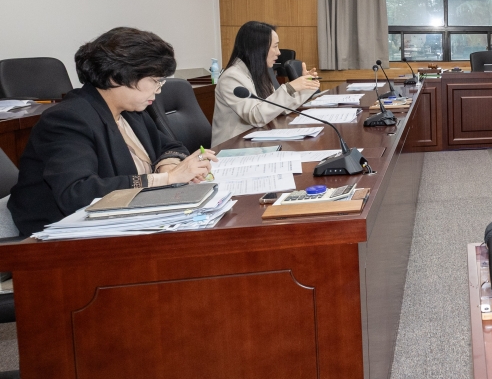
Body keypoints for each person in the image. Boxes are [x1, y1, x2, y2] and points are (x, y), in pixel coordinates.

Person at [9, 27, 215, 236]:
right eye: (155, 81)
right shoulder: (67, 119)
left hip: (124, 224)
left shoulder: (130, 112)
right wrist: (166, 179)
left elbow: (169, 146)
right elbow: (78, 192)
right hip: (65, 238)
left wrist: (168, 168)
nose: (159, 89)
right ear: (118, 77)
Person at [212, 21, 321, 144]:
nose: (279, 52)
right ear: (257, 48)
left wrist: (306, 85)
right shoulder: (231, 78)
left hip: (256, 141)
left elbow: (279, 108)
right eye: (275, 46)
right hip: (232, 147)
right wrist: (290, 88)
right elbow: (256, 117)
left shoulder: (259, 72)